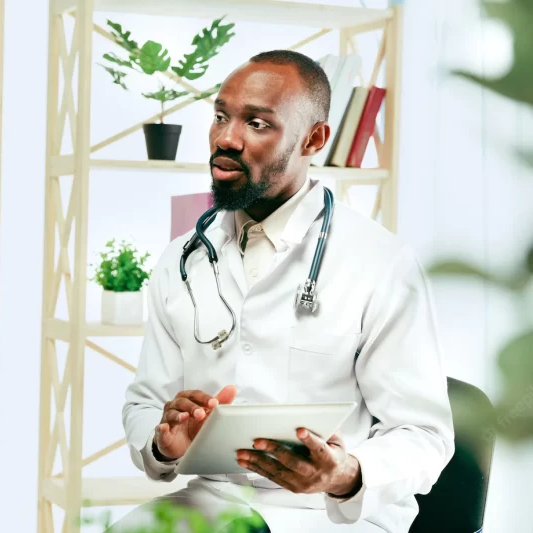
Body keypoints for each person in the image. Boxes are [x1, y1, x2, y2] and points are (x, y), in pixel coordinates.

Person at [109, 50, 455, 532]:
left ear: (313, 139)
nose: (226, 138)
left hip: (329, 517)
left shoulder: (382, 263)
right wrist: (165, 441)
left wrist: (344, 473)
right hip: (212, 503)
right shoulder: (182, 260)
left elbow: (424, 436)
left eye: (256, 123)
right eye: (220, 116)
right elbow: (145, 403)